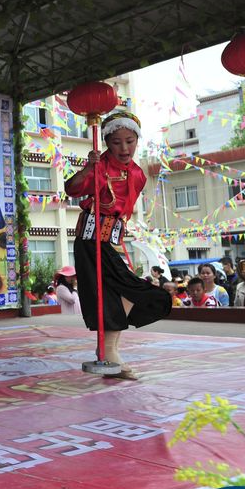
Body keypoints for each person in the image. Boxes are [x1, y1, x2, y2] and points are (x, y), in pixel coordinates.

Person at [65, 111, 171, 380]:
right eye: (116, 142)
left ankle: (108, 350)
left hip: (111, 239)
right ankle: (110, 352)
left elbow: (123, 211)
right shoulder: (100, 167)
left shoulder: (138, 174)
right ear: (107, 143)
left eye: (130, 141)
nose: (124, 148)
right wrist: (89, 169)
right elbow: (72, 189)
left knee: (129, 293)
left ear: (137, 140)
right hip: (90, 239)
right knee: (116, 294)